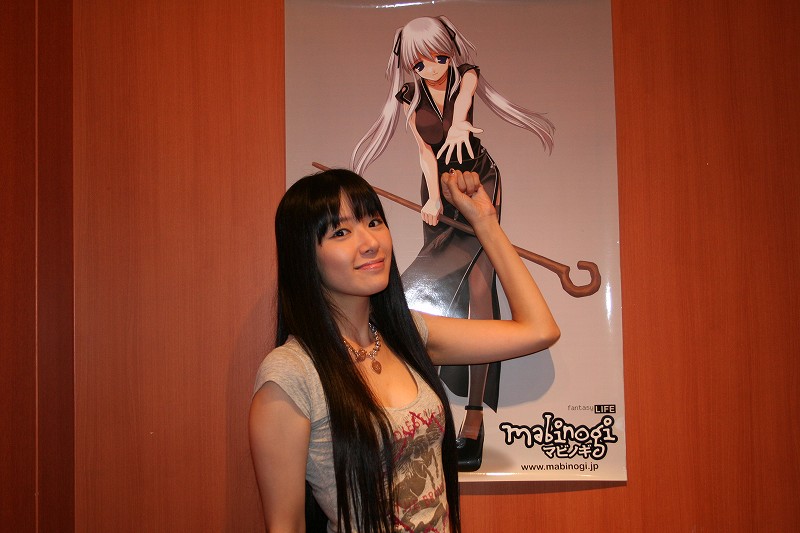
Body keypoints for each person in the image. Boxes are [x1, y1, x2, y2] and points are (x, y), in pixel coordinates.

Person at [249, 168, 559, 532]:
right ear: (304, 255)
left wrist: (484, 221)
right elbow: (285, 526)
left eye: (374, 222)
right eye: (341, 232)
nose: (370, 242)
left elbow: (539, 330)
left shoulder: (406, 334)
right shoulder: (291, 373)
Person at [351, 16, 555, 470]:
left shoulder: (466, 77)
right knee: (437, 294)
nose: (433, 67)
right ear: (409, 65)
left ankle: (473, 424)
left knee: (479, 292)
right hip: (439, 196)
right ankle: (426, 417)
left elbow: (461, 112)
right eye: (420, 62)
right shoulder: (410, 97)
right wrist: (432, 199)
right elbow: (425, 152)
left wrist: (461, 125)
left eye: (441, 57)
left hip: (477, 183)